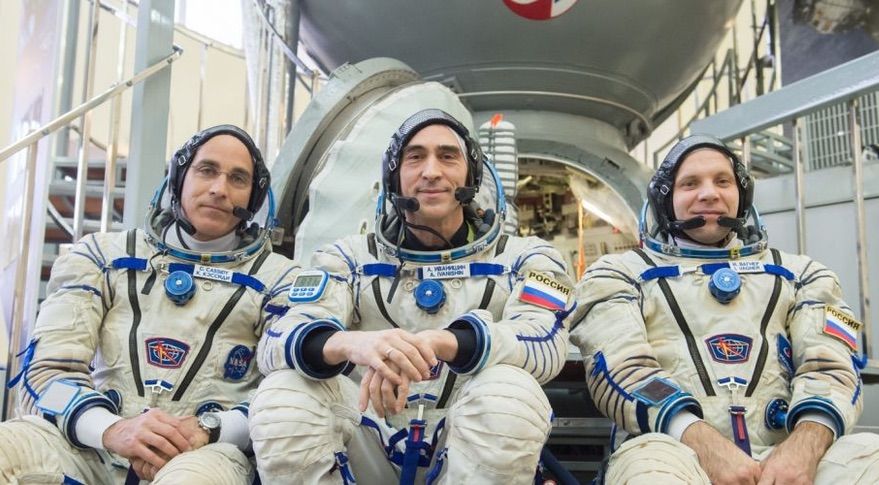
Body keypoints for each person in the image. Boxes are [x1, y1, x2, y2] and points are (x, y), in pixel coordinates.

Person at [250, 109, 573, 484]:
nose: (431, 171)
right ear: (394, 177)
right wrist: (355, 344)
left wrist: (446, 341)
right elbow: (277, 340)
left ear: (472, 175)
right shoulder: (346, 258)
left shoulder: (527, 258)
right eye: (415, 157)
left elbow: (545, 341)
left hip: (472, 443)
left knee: (511, 392)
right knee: (283, 392)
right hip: (368, 436)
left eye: (448, 156)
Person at [569, 134, 879, 484]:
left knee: (869, 458)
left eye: (723, 181)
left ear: (741, 194)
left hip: (789, 457)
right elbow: (628, 371)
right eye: (690, 184)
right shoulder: (620, 275)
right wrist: (700, 440)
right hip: (672, 452)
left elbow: (830, 369)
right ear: (664, 198)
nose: (709, 194)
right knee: (651, 473)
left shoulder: (802, 275)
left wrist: (804, 446)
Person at [0, 125, 300, 484]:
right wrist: (113, 429)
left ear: (253, 198)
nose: (220, 189)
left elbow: (286, 400)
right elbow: (47, 373)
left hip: (206, 454)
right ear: (178, 178)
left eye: (238, 178)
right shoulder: (102, 256)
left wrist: (207, 429)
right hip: (94, 446)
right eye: (206, 171)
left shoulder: (282, 280)